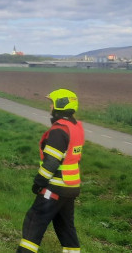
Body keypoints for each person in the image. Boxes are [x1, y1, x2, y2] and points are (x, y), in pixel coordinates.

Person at [17, 89, 85, 253]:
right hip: (70, 187)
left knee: (34, 222)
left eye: (51, 103)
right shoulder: (76, 127)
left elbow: (51, 162)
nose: (50, 107)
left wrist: (39, 182)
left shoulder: (59, 130)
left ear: (59, 105)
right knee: (66, 229)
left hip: (54, 187)